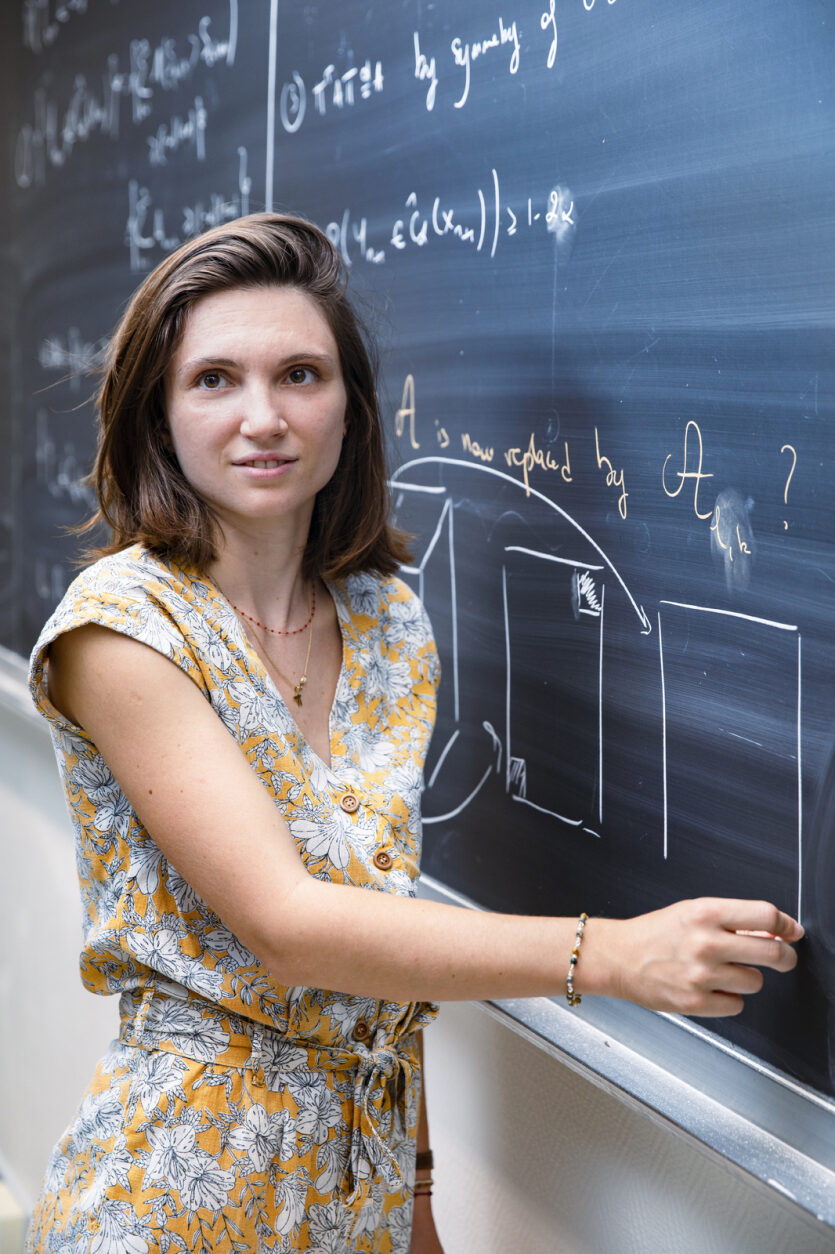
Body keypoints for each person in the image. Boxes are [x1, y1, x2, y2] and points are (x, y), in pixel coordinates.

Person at [26, 213, 803, 1254]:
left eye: (300, 374)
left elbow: (378, 924)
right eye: (214, 379)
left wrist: (420, 1199)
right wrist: (605, 953)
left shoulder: (387, 619)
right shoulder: (120, 628)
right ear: (158, 416)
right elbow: (291, 926)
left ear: (349, 408)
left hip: (363, 1198)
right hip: (182, 1189)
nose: (264, 416)